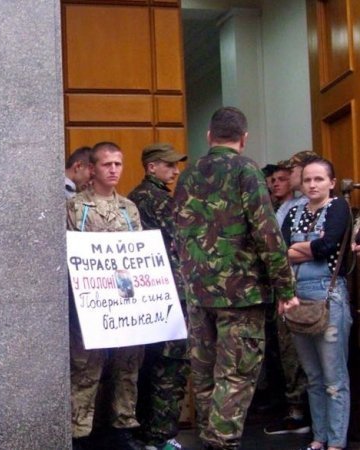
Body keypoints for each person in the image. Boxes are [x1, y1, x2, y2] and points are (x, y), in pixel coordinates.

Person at [173, 106, 298, 450]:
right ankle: (222, 444)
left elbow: (178, 233)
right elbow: (267, 233)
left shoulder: (188, 175)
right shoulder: (246, 170)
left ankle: (210, 441)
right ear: (244, 138)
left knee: (204, 377)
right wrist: (285, 288)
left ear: (209, 136)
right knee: (236, 377)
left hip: (199, 294)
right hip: (241, 296)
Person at [67, 141, 144, 450]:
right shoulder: (75, 207)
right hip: (90, 302)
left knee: (127, 365)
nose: (113, 170)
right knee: (86, 367)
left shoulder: (128, 208)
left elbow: (140, 254)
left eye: (118, 164)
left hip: (124, 300)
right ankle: (80, 432)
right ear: (92, 168)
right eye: (106, 164)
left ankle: (123, 428)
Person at [281, 158, 352, 450]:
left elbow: (327, 246)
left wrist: (296, 249)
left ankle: (336, 442)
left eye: (319, 179)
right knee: (312, 376)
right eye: (308, 179)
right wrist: (309, 248)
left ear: (332, 183)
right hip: (297, 296)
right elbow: (279, 249)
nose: (312, 185)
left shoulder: (338, 207)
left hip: (328, 295)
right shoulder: (293, 211)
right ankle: (318, 439)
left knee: (334, 377)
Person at [127, 143, 189, 450]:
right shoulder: (159, 200)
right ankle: (161, 435)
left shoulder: (133, 198)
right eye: (169, 165)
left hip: (148, 293)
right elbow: (184, 237)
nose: (175, 171)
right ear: (152, 167)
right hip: (172, 292)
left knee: (147, 364)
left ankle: (143, 431)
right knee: (171, 365)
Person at [264, 150, 320, 436]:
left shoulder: (315, 207)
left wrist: (292, 252)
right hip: (287, 285)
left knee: (303, 353)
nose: (286, 177)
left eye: (291, 172)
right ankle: (295, 408)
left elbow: (318, 246)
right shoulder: (290, 208)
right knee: (288, 351)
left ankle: (304, 413)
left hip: (308, 288)